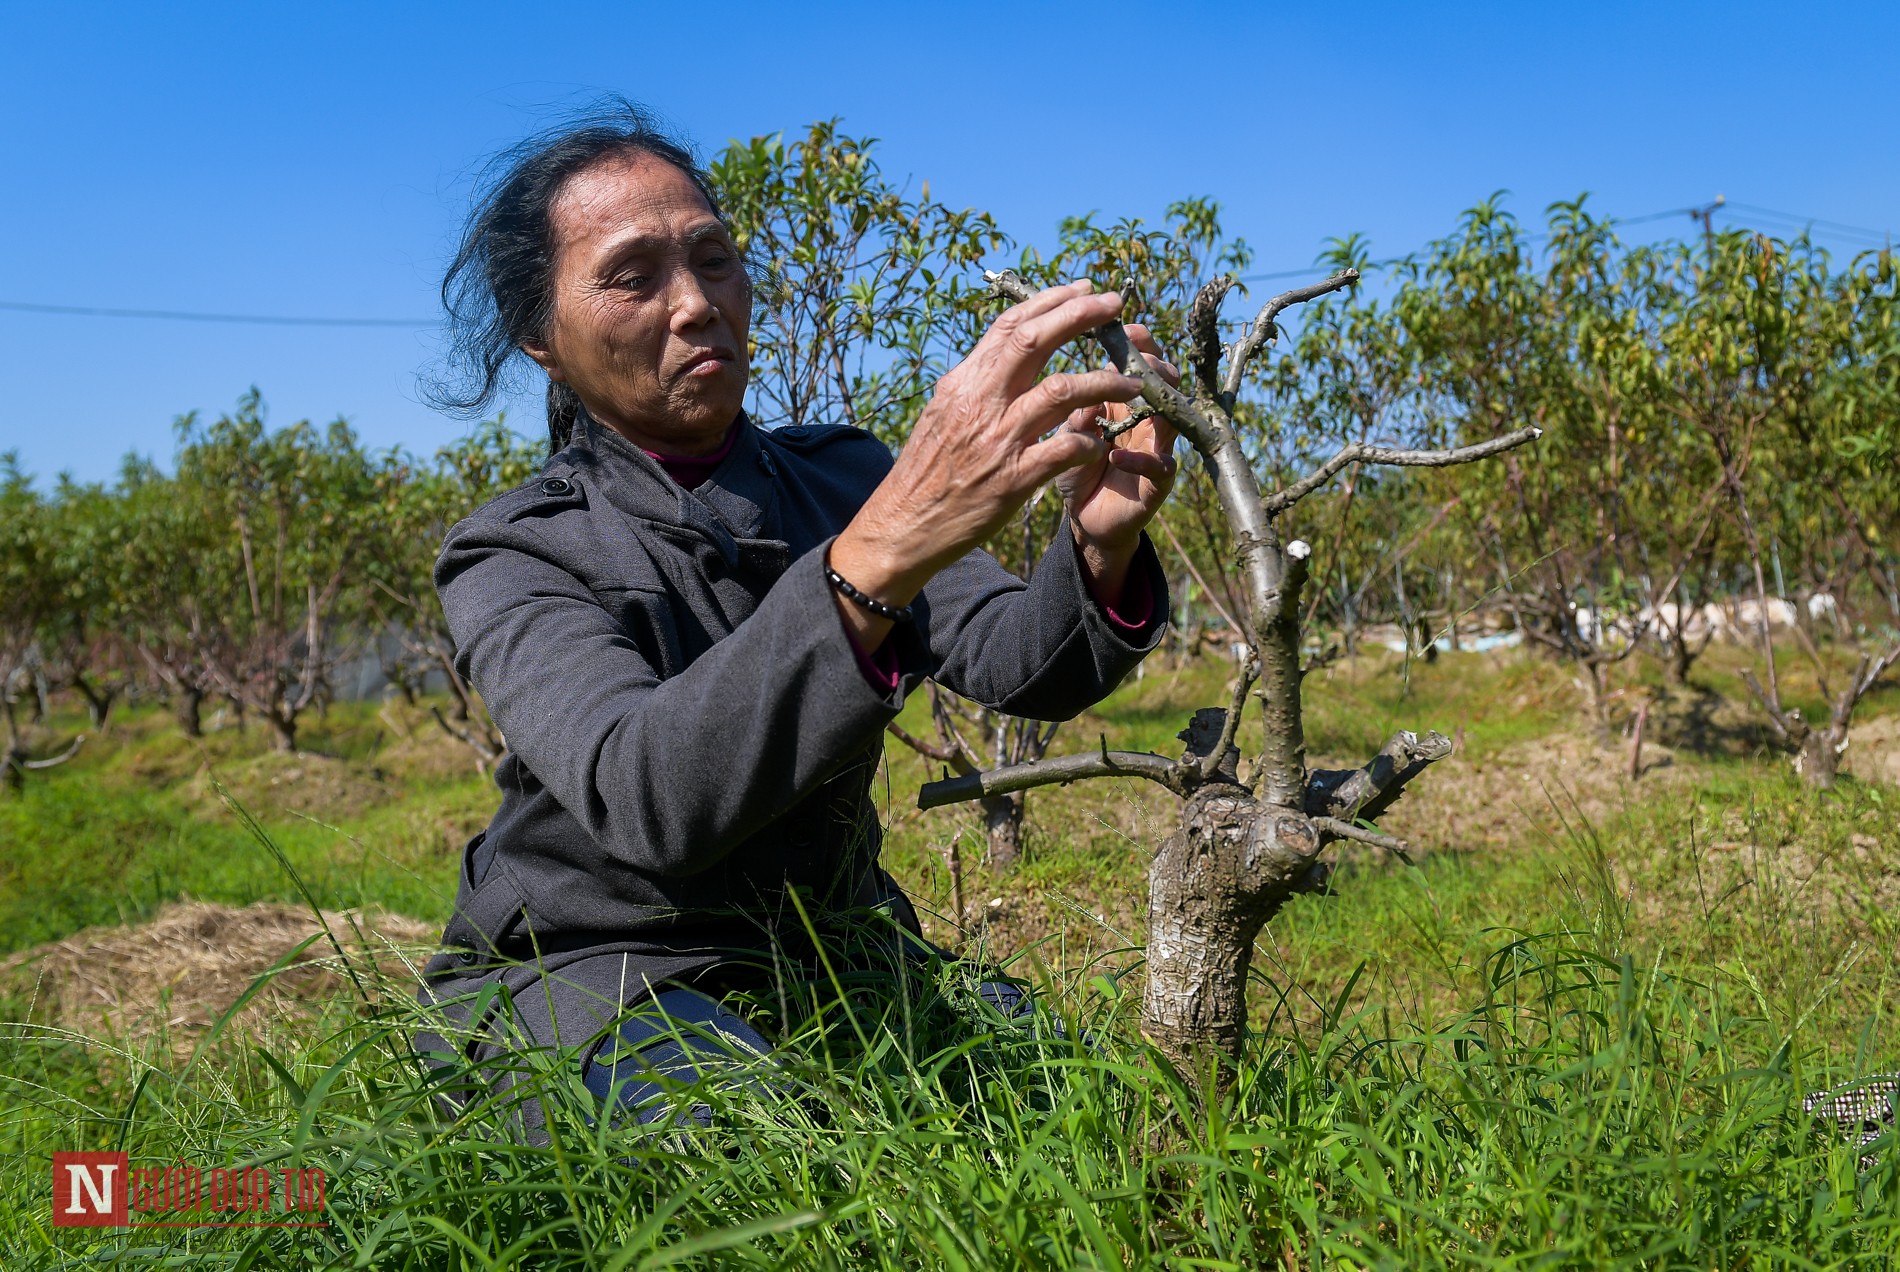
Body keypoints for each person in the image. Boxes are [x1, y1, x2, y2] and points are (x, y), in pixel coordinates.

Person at [417, 104, 1179, 1127]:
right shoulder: (517, 549)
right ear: (541, 342)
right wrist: (884, 548)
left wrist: (1101, 539)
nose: (695, 304)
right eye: (633, 277)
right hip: (595, 966)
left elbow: (1022, 663)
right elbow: (650, 798)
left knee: (1085, 1102)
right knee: (746, 1143)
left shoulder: (842, 478)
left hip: (831, 947)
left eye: (715, 260)